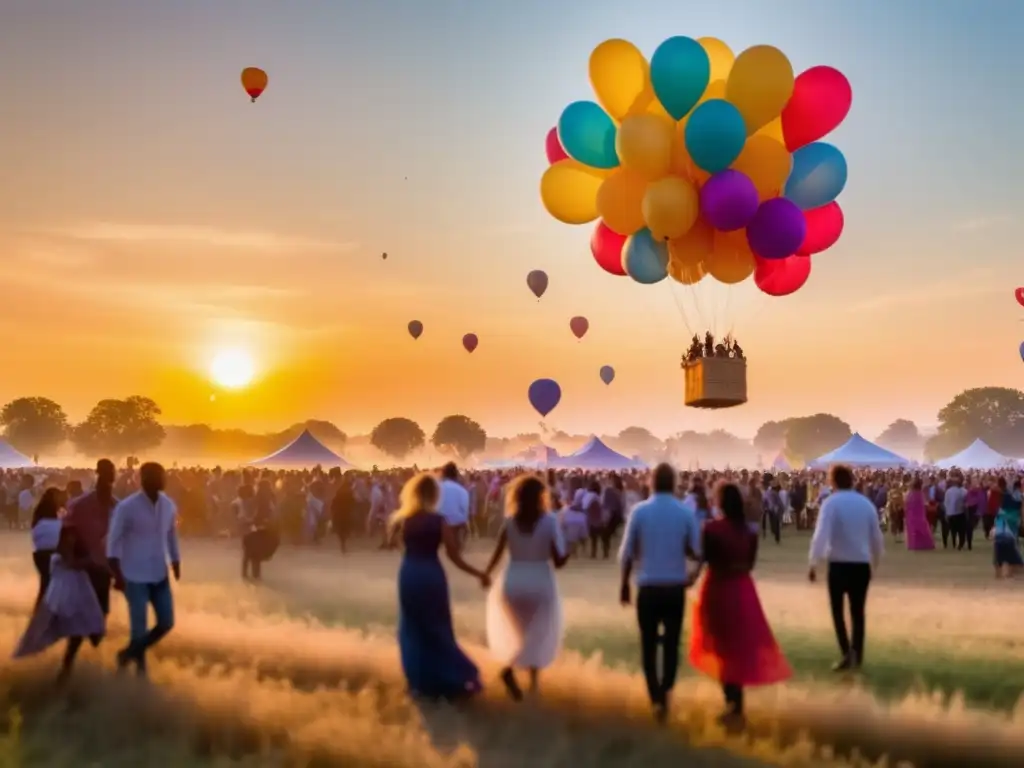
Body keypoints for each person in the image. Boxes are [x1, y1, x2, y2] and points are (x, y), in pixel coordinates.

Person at [689, 481, 791, 730]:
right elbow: (750, 564)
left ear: (719, 502)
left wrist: (688, 578)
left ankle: (733, 707)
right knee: (738, 648)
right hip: (743, 590)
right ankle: (735, 705)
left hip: (719, 589)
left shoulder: (711, 529)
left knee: (724, 648)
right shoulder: (750, 532)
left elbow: (703, 560)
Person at [392, 472, 488, 700]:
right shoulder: (439, 521)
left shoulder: (405, 520)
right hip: (431, 575)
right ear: (434, 495)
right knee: (437, 628)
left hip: (409, 574)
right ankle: (453, 676)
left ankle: (419, 681)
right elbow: (454, 555)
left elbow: (397, 545)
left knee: (413, 628)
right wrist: (479, 573)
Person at [618, 462, 702, 723]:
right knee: (672, 644)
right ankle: (666, 690)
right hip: (674, 587)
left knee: (648, 644)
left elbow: (627, 552)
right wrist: (693, 573)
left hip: (648, 587)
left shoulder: (639, 511)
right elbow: (696, 551)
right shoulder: (684, 512)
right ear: (675, 483)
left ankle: (655, 696)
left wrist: (623, 584)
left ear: (651, 482)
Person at [484, 474, 568, 700]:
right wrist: (565, 542)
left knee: (525, 634)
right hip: (540, 581)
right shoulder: (550, 521)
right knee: (537, 635)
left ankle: (529, 683)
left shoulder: (510, 521)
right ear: (541, 497)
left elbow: (497, 553)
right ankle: (516, 673)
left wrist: (486, 574)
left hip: (512, 582)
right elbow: (559, 561)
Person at [107, 462, 181, 677]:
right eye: (158, 476)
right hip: (133, 575)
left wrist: (176, 561)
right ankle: (141, 673)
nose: (163, 479)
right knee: (138, 628)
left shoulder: (168, 505)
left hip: (159, 573)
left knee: (166, 622)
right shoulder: (127, 507)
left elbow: (170, 535)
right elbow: (113, 541)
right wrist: (117, 574)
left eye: (162, 475)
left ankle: (127, 654)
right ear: (145, 479)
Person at [808, 464, 884, 672]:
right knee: (858, 612)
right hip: (861, 565)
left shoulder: (831, 503)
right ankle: (856, 654)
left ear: (832, 481)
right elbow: (876, 536)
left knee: (838, 611)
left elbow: (821, 534)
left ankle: (846, 653)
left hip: (839, 564)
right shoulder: (865, 503)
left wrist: (814, 562)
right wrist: (875, 562)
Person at [59, 459, 118, 681]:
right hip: (83, 569)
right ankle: (67, 666)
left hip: (103, 570)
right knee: (83, 617)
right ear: (98, 475)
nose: (108, 479)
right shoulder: (81, 504)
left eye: (110, 474)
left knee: (98, 622)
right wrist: (70, 559)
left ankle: (75, 663)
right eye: (104, 474)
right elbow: (65, 534)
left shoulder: (116, 507)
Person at [30, 488, 64, 607]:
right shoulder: (58, 519)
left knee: (45, 583)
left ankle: (40, 610)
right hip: (53, 553)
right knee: (52, 584)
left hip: (39, 554)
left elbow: (35, 536)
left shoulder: (38, 517)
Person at [437, 462, 471, 550]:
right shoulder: (462, 491)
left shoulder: (437, 488)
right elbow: (465, 510)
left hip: (439, 523)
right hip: (457, 523)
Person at [903, 477, 935, 551]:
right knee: (923, 530)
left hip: (911, 515)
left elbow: (906, 504)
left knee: (912, 531)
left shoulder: (909, 494)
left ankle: (913, 544)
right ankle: (925, 544)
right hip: (920, 515)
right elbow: (924, 504)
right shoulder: (920, 494)